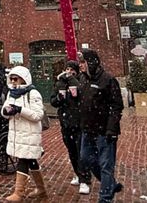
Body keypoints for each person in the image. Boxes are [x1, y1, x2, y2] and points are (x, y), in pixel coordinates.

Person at [78, 49, 124, 203]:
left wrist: (111, 128)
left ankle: (105, 198)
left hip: (104, 130)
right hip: (88, 129)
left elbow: (116, 106)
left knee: (106, 164)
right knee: (86, 159)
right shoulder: (83, 79)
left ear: (91, 63)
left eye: (83, 62)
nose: (80, 65)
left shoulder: (108, 80)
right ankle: (110, 184)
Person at [0, 65, 47, 201]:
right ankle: (41, 190)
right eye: (11, 79)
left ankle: (19, 193)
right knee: (31, 160)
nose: (13, 81)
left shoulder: (33, 94)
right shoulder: (11, 93)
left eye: (16, 79)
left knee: (23, 160)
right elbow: (5, 110)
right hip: (17, 133)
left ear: (23, 79)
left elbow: (38, 115)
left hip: (29, 134)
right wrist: (6, 111)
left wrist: (20, 110)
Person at [52, 60, 92, 194]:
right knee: (72, 152)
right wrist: (59, 98)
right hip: (66, 123)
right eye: (67, 69)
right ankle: (78, 174)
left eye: (72, 69)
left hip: (79, 123)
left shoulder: (81, 81)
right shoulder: (60, 83)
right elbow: (53, 101)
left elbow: (82, 96)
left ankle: (85, 179)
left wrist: (71, 80)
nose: (69, 72)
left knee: (81, 152)